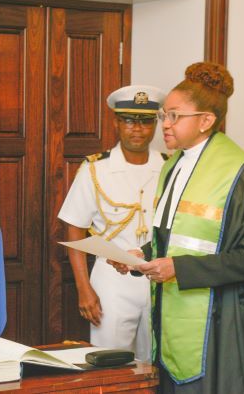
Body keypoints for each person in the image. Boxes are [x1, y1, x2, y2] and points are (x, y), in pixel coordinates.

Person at [111, 62, 244, 393]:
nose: (165, 124)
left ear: (206, 121)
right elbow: (174, 238)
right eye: (164, 116)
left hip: (216, 320)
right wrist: (140, 257)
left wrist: (178, 268)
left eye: (174, 116)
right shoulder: (174, 164)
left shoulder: (240, 173)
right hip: (170, 313)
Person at [58, 85, 166, 362]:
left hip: (160, 277)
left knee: (156, 362)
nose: (137, 129)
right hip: (112, 282)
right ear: (116, 123)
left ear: (155, 124)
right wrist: (84, 288)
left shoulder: (168, 167)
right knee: (111, 362)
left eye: (145, 121)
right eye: (129, 120)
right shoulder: (96, 168)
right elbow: (75, 229)